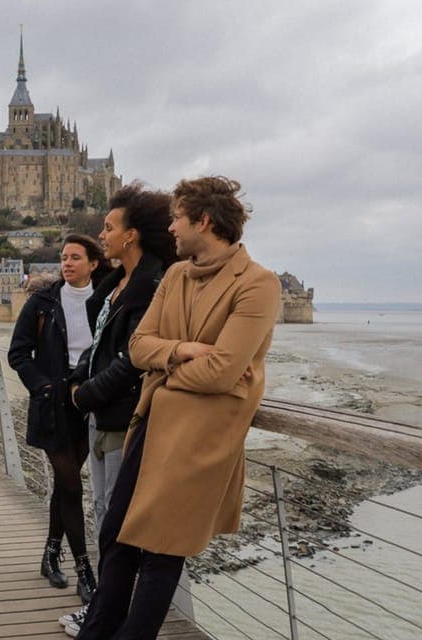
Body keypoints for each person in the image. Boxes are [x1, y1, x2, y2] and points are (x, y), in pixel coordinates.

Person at [75, 176, 281, 640]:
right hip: (152, 425)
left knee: (162, 552)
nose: (169, 227)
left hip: (200, 438)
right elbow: (138, 344)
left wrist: (163, 369)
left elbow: (223, 372)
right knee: (117, 535)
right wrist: (182, 351)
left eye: (177, 218)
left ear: (203, 221)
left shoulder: (258, 284)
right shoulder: (174, 275)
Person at [58, 183, 177, 636]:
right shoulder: (116, 285)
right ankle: (106, 612)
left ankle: (106, 614)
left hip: (123, 414)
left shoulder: (150, 285)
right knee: (105, 511)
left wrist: (85, 394)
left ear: (131, 235)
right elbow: (100, 346)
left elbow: (133, 358)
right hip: (100, 413)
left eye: (108, 227)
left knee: (115, 519)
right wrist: (77, 381)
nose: (101, 234)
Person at [8, 233, 107, 604]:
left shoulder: (106, 300)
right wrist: (44, 388)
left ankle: (51, 552)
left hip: (93, 399)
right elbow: (18, 353)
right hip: (53, 403)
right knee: (70, 485)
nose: (66, 263)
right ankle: (84, 568)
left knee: (65, 486)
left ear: (93, 263)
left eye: (75, 258)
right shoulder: (43, 302)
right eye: (63, 257)